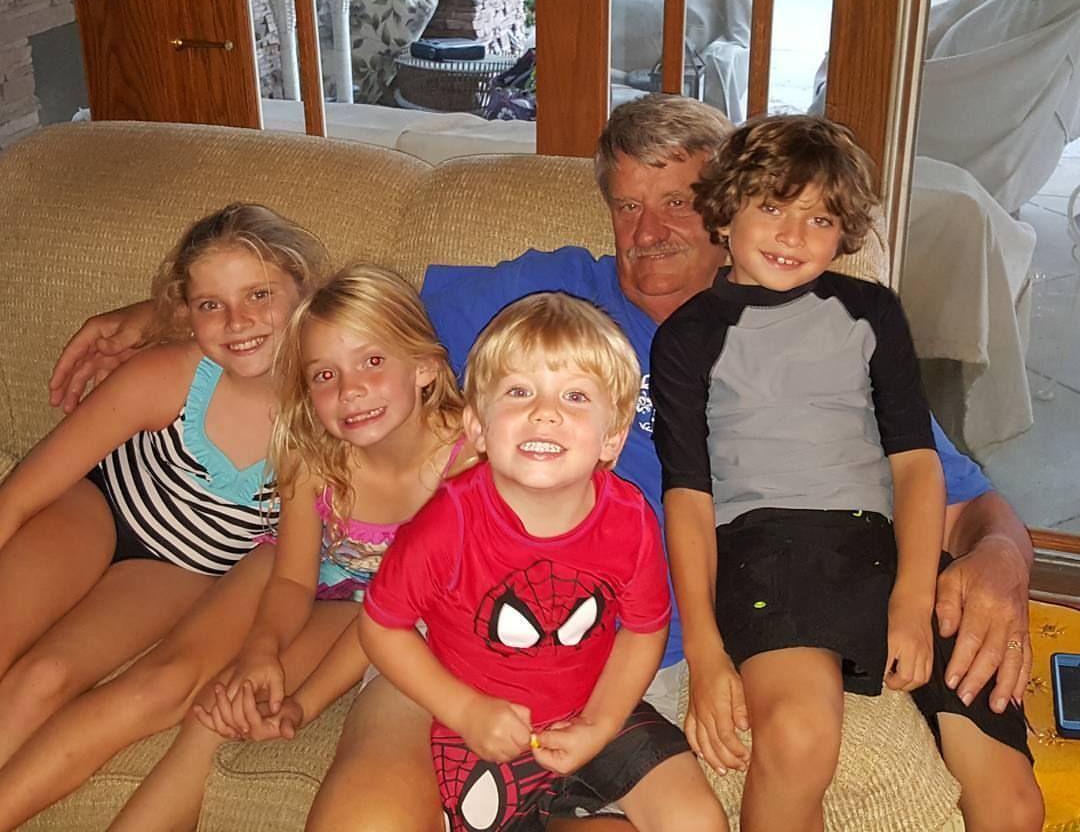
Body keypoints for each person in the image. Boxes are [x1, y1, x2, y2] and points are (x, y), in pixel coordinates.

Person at [47, 94, 1035, 831]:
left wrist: (1001, 558)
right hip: (462, 630)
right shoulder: (539, 293)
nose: (647, 232)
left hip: (647, 654)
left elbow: (958, 496)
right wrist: (166, 313)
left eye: (676, 202)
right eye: (626, 206)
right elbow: (330, 311)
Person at [652, 116, 1042, 832]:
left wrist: (911, 598)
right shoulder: (687, 338)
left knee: (1015, 806)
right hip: (765, 551)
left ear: (844, 234)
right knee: (800, 739)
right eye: (773, 207)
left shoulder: (871, 313)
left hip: (885, 546)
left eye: (820, 219)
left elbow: (916, 465)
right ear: (726, 211)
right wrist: (705, 653)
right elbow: (688, 499)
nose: (794, 235)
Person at [100, 264, 476, 831]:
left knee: (234, 706)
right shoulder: (312, 452)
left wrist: (307, 702)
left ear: (424, 367)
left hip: (400, 618)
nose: (349, 390)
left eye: (372, 362)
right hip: (330, 589)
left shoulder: (470, 460)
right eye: (324, 375)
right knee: (219, 709)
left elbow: (398, 615)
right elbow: (295, 578)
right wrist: (262, 649)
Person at [0, 203, 326, 823]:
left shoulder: (328, 408)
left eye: (259, 295)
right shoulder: (170, 374)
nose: (238, 321)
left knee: (45, 676)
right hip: (97, 508)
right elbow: (23, 492)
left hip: (180, 571)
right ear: (187, 314)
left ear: (304, 289)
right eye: (211, 305)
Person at [359, 292, 728, 831]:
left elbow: (644, 628)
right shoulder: (447, 523)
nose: (545, 412)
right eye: (519, 391)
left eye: (575, 396)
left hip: (595, 711)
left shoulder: (630, 520)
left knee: (697, 821)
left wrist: (599, 724)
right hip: (481, 729)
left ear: (612, 438)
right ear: (477, 427)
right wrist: (464, 710)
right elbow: (381, 625)